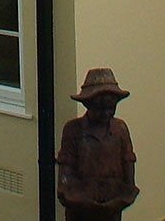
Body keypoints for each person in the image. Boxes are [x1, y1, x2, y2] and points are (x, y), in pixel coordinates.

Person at [56, 68, 138, 221]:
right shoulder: (73, 130)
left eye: (111, 108)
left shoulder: (120, 129)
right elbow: (65, 176)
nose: (106, 113)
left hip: (112, 211)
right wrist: (77, 198)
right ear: (87, 104)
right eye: (100, 108)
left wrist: (125, 195)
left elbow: (128, 166)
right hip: (79, 212)